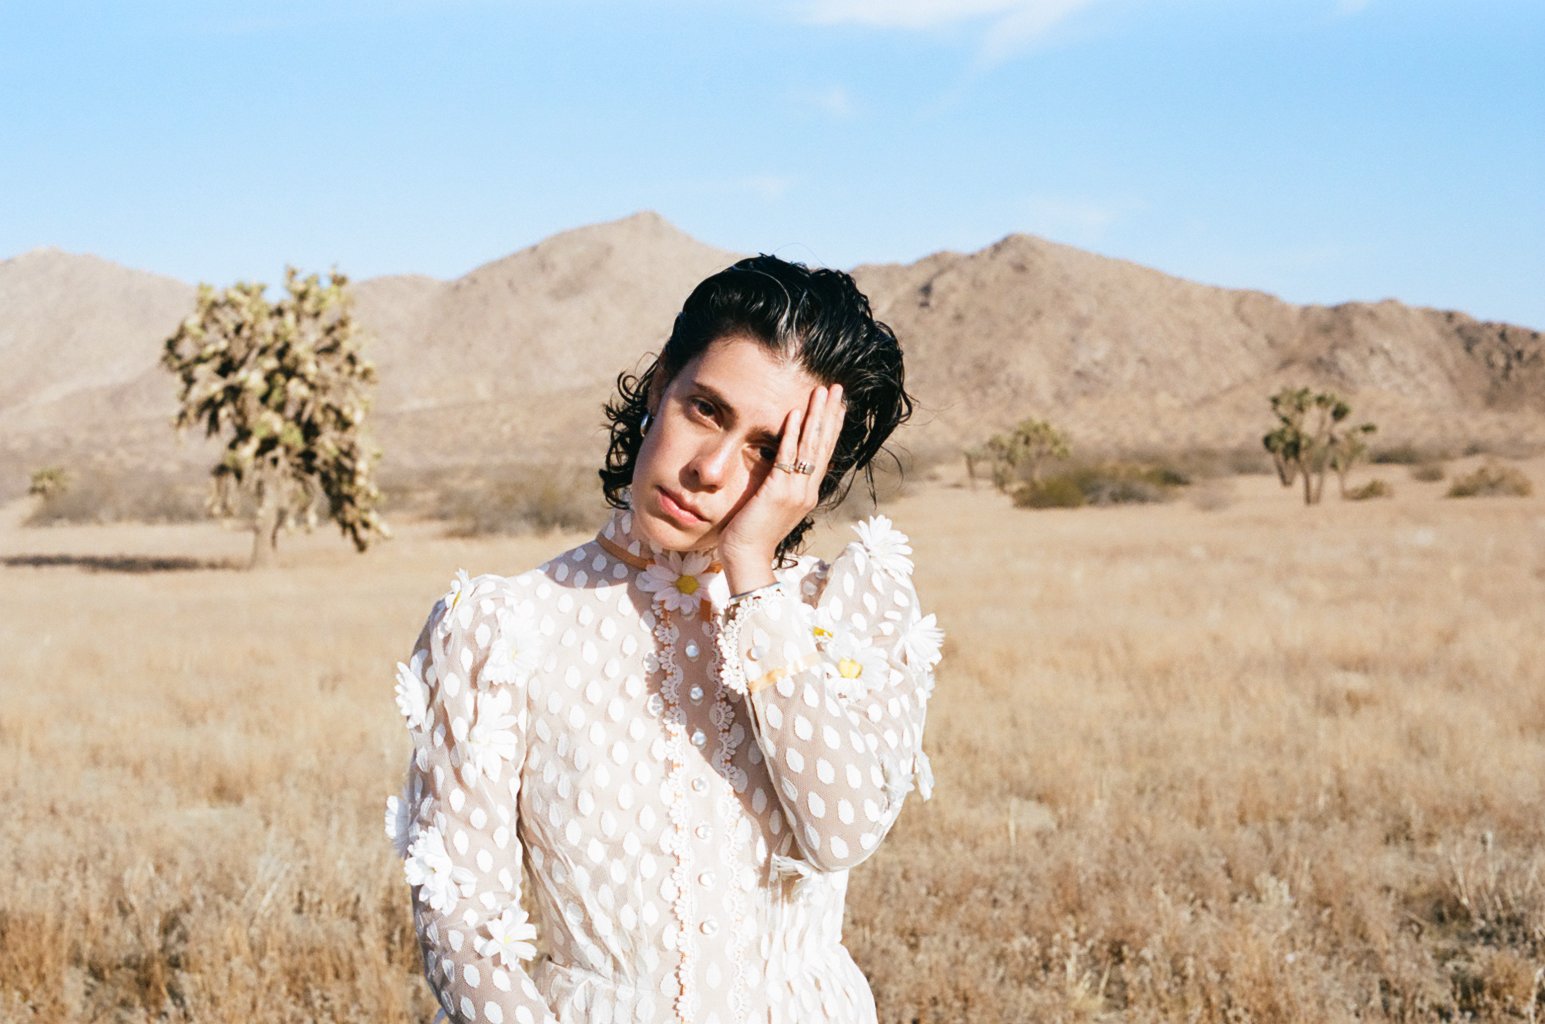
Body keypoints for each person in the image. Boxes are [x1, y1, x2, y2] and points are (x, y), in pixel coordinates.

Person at [386, 254, 943, 1024]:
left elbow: (840, 831)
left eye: (768, 449)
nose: (709, 469)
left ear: (808, 473)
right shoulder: (501, 628)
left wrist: (751, 577)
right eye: (705, 410)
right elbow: (461, 921)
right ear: (658, 389)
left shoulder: (846, 608)